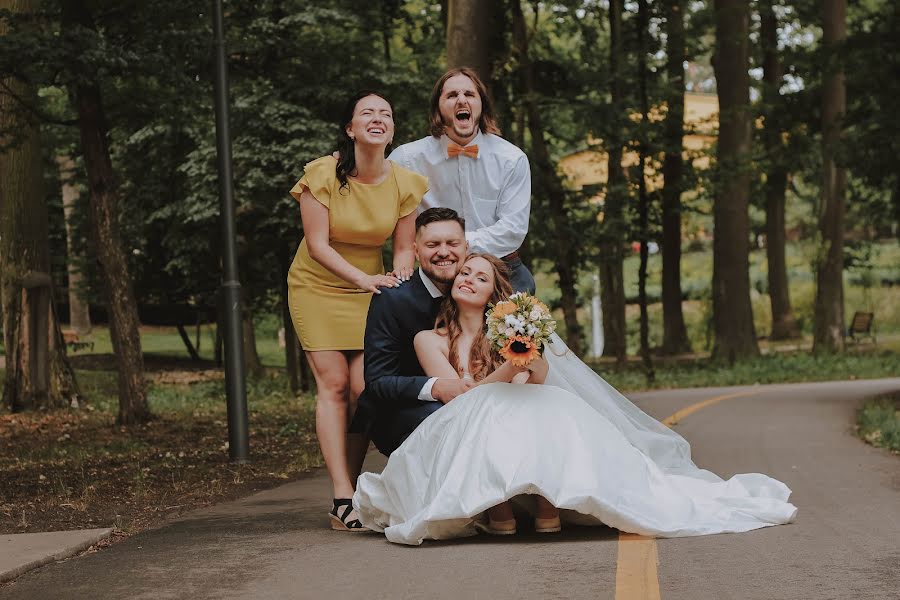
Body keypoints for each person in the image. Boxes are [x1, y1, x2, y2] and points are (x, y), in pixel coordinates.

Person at [353, 255, 798, 545]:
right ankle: (498, 506)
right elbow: (458, 394)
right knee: (490, 406)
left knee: (545, 404)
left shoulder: (512, 324)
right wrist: (510, 369)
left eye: (480, 276)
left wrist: (522, 348)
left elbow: (541, 376)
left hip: (520, 404)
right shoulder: (429, 338)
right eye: (465, 273)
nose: (468, 279)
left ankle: (548, 504)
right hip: (468, 413)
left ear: (495, 291)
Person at [287, 91, 428, 532]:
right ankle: (341, 495)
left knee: (364, 389)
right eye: (367, 112)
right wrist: (363, 279)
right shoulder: (323, 173)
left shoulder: (406, 182)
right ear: (350, 128)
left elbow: (404, 249)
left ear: (391, 130)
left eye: (386, 113)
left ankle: (355, 486)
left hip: (371, 289)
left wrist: (397, 281)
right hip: (317, 285)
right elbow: (318, 244)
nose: (378, 118)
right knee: (333, 383)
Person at [388, 67, 536, 294]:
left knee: (521, 327)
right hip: (436, 272)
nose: (461, 100)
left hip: (501, 270)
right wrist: (346, 160)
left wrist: (454, 244)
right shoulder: (407, 160)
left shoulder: (511, 159)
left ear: (481, 105)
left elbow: (512, 230)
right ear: (437, 107)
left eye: (469, 94)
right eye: (451, 95)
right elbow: (371, 190)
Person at [353, 207, 473, 457]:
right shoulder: (392, 298)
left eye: (452, 243)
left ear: (466, 248)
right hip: (404, 411)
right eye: (433, 244)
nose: (443, 252)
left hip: (475, 400)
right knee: (448, 421)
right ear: (416, 251)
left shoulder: (480, 291)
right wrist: (436, 387)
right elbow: (377, 382)